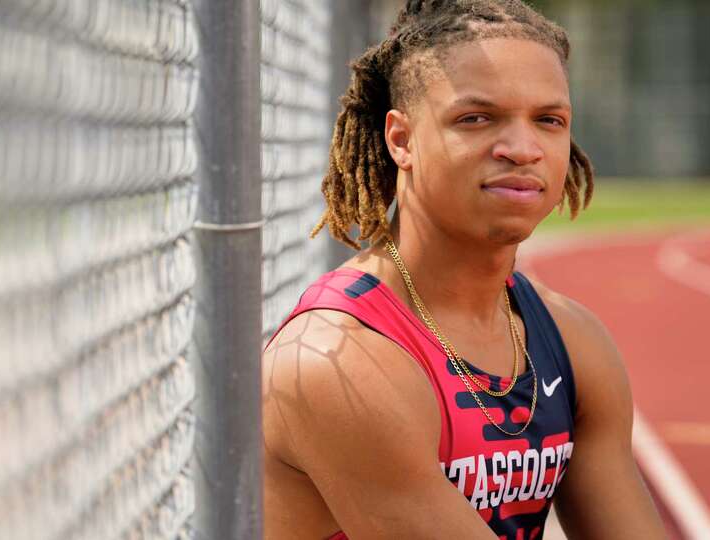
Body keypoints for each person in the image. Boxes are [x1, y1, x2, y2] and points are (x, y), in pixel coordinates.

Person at [261, 1, 667, 539]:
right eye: (476, 118)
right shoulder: (334, 363)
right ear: (401, 140)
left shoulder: (571, 340)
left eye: (549, 120)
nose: (523, 149)